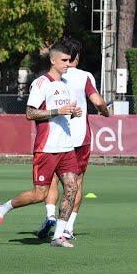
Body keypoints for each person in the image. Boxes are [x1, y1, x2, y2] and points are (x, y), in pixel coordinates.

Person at [0, 41, 82, 248]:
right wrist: (58, 111)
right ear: (53, 60)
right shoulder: (41, 83)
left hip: (66, 148)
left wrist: (73, 114)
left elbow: (66, 112)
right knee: (40, 194)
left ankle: (59, 235)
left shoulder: (66, 85)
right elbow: (30, 113)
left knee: (72, 188)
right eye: (64, 60)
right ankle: (2, 209)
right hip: (46, 148)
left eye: (70, 60)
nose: (68, 64)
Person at [36, 38, 110, 240]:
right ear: (78, 57)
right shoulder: (84, 76)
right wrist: (105, 111)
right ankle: (67, 227)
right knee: (76, 183)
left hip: (56, 137)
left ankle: (50, 215)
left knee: (51, 180)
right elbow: (97, 101)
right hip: (80, 139)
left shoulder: (54, 76)